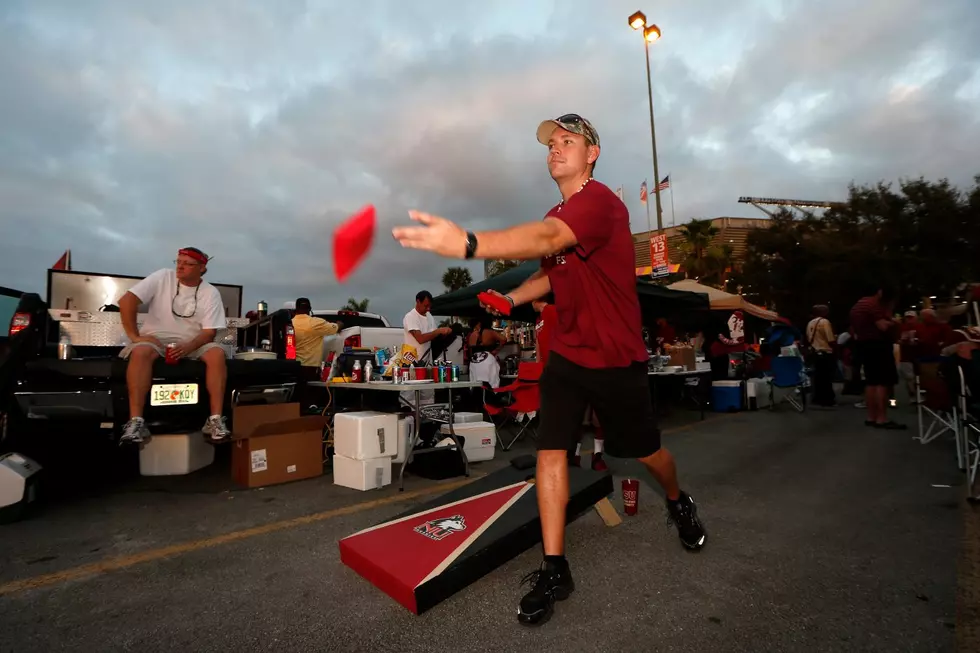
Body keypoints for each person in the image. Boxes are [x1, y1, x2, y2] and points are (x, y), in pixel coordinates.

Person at [391, 112, 706, 626]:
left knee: (649, 455)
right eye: (550, 143)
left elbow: (544, 240)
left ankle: (678, 500)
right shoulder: (559, 212)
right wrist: (509, 298)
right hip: (568, 356)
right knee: (551, 455)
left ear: (592, 153)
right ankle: (555, 567)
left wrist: (470, 244)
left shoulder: (600, 204)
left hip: (614, 358)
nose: (555, 149)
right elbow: (549, 272)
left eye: (568, 140)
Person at [117, 247, 231, 445]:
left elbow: (208, 332)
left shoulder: (210, 292)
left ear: (202, 268)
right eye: (178, 262)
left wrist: (188, 347)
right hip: (157, 339)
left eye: (187, 264)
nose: (180, 267)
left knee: (217, 353)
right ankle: (136, 422)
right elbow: (127, 301)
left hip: (194, 341)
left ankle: (214, 420)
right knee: (141, 351)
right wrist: (134, 336)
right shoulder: (163, 277)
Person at [849, 284, 904, 429]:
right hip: (878, 345)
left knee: (871, 382)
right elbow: (882, 326)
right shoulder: (874, 305)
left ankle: (871, 417)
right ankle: (882, 418)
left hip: (864, 344)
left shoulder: (859, 305)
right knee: (882, 382)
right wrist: (894, 321)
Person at [403, 290, 452, 364]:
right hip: (412, 362)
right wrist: (438, 331)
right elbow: (420, 339)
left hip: (426, 361)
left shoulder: (429, 316)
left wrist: (444, 333)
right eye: (426, 306)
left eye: (430, 306)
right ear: (418, 302)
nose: (428, 309)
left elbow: (434, 336)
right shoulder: (410, 317)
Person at [291, 297, 341, 369]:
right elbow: (336, 328)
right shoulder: (316, 323)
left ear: (296, 309)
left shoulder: (290, 323)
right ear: (309, 309)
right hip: (311, 368)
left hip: (293, 367)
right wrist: (340, 323)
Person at [806, 305, 837, 407]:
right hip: (825, 352)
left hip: (815, 352)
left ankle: (817, 398)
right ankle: (827, 399)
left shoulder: (810, 323)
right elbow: (830, 339)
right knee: (826, 377)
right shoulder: (825, 322)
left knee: (818, 377)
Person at [467, 313, 507, 387]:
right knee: (491, 385)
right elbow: (504, 339)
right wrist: (497, 350)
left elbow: (470, 350)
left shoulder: (472, 335)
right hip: (487, 359)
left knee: (475, 385)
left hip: (474, 361)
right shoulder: (489, 332)